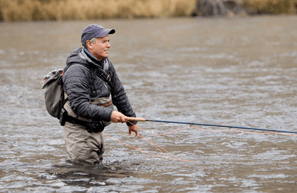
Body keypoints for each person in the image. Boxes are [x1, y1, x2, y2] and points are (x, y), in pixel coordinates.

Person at [62, 24, 138, 165]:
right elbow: (79, 106)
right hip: (79, 131)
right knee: (85, 173)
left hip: (96, 128)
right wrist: (110, 115)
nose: (109, 45)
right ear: (89, 44)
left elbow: (118, 93)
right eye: (104, 41)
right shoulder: (76, 71)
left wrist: (131, 120)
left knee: (96, 171)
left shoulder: (105, 64)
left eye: (108, 41)